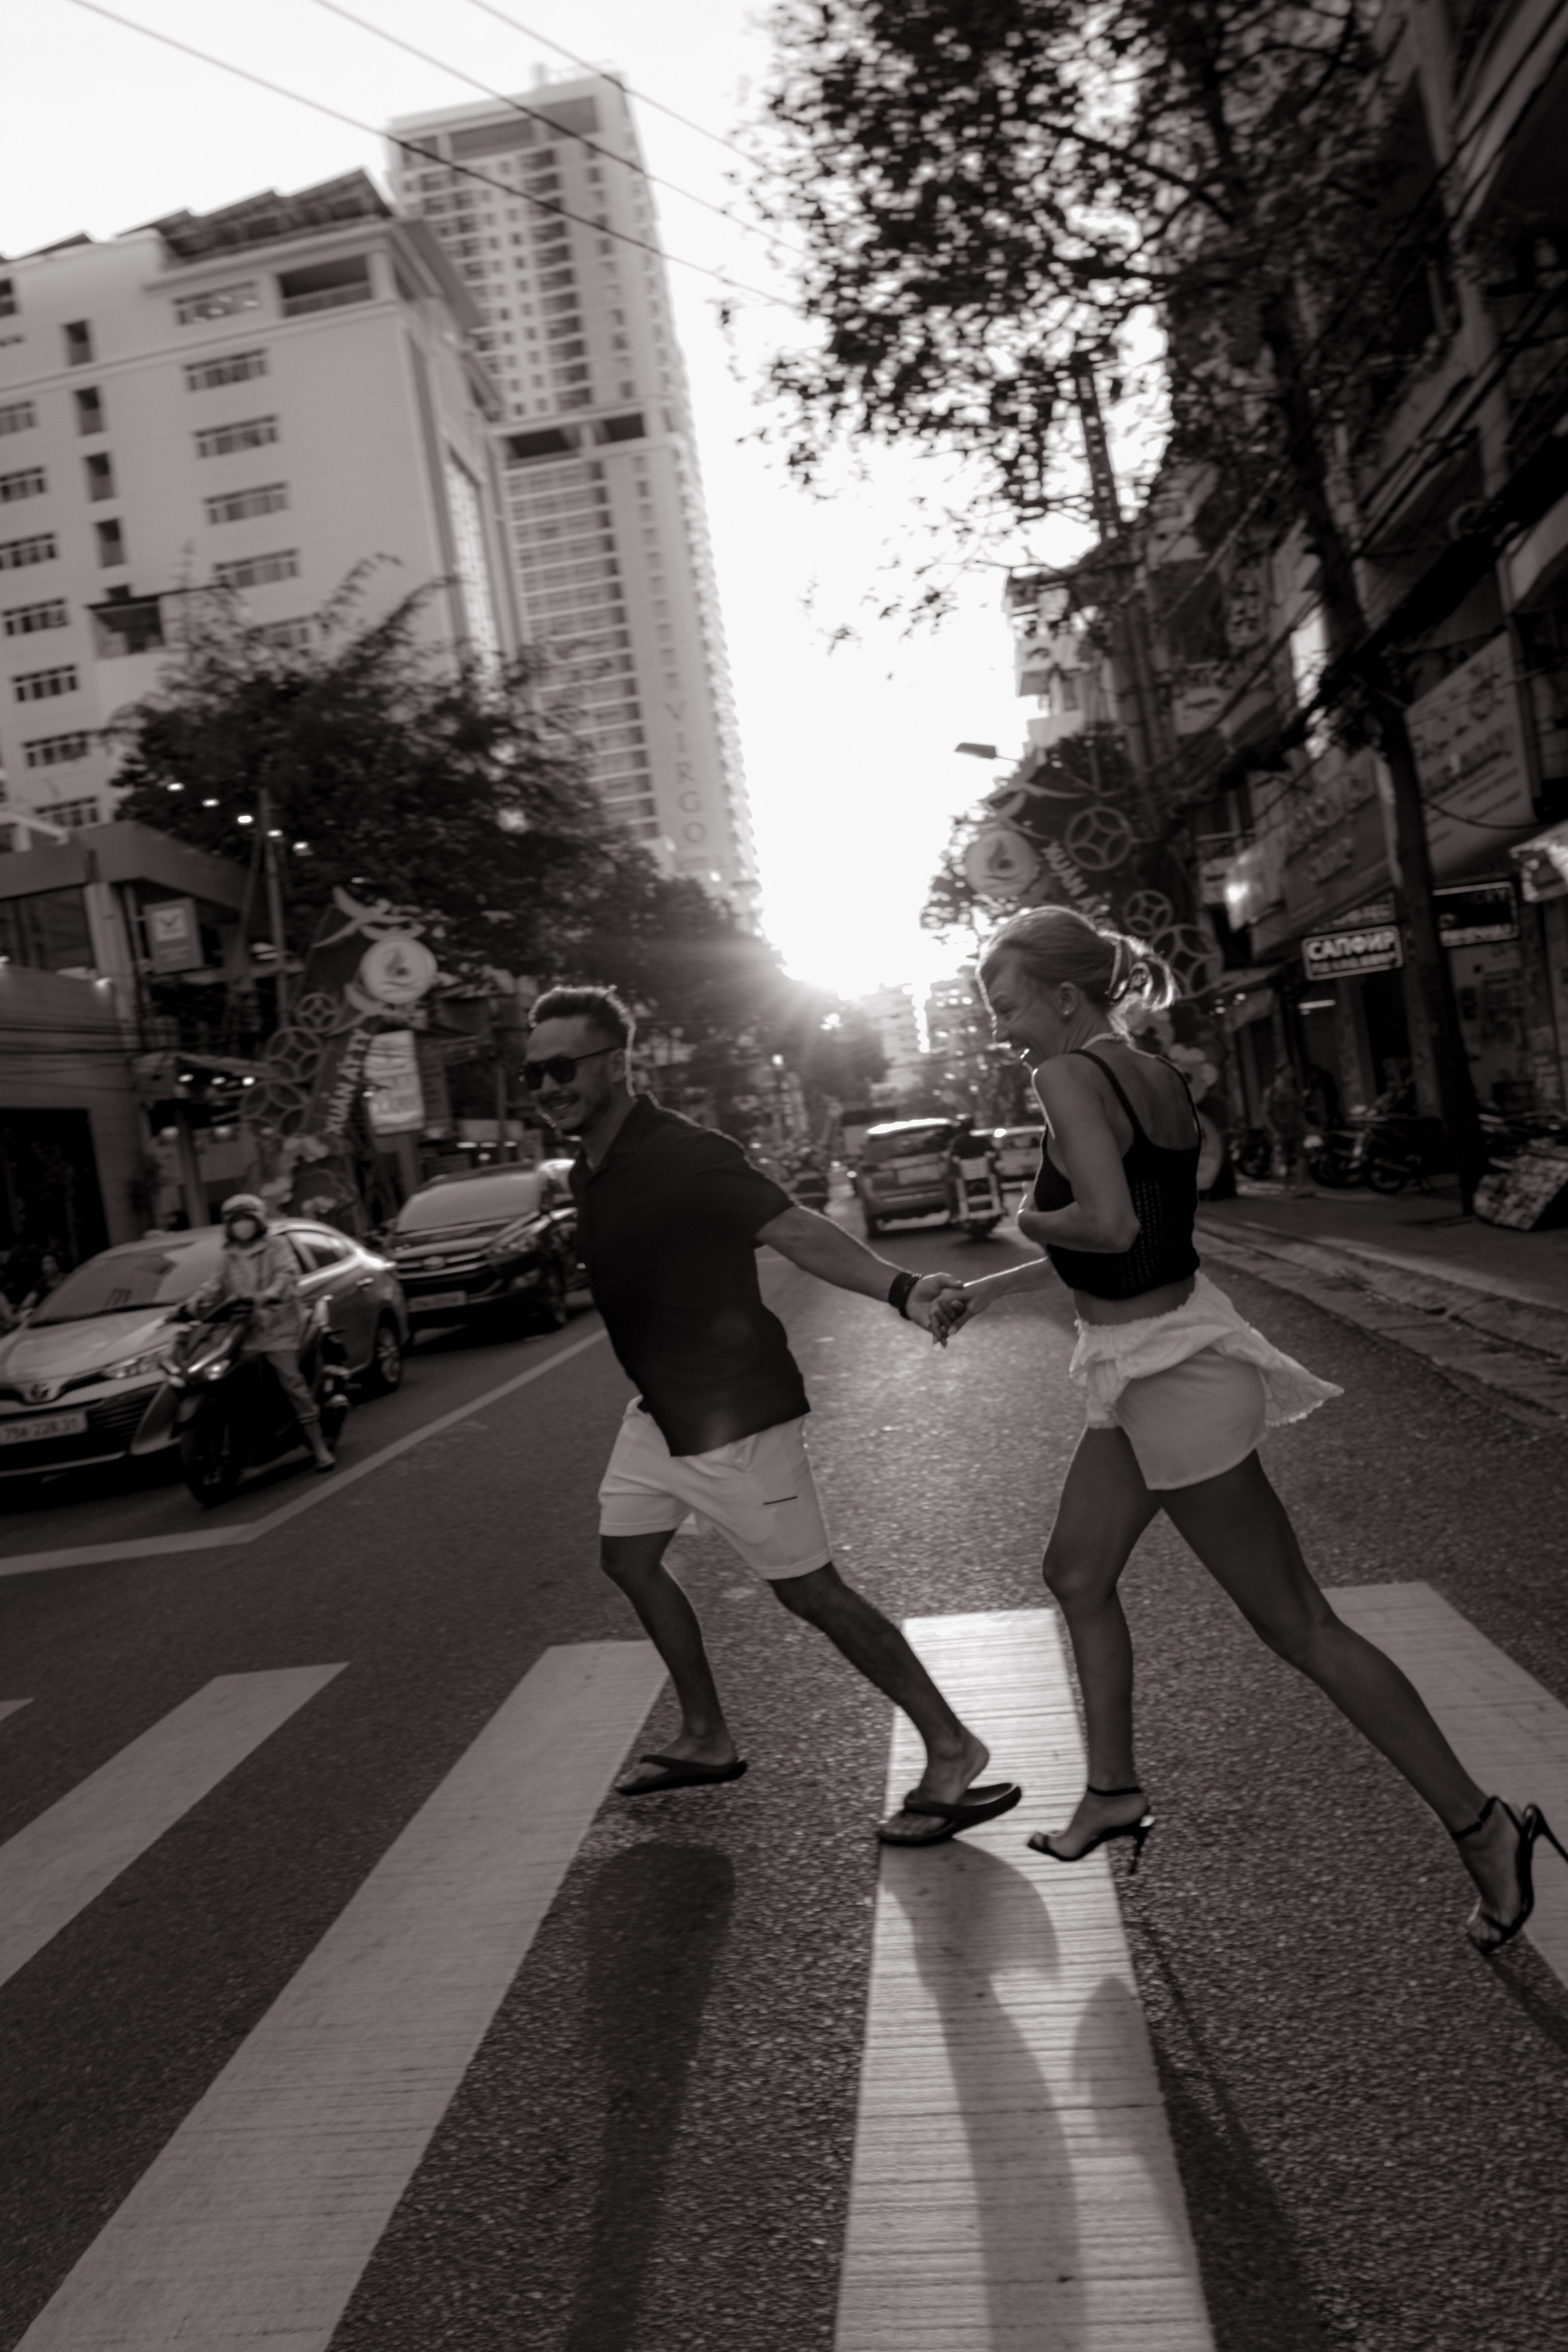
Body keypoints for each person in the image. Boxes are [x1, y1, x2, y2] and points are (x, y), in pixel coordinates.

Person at [932, 905, 1562, 1954]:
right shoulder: (1152, 1076)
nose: (1003, 1031)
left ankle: (1483, 1824)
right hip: (1154, 1360)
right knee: (1077, 1575)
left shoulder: (1065, 1079)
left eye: (1006, 1008)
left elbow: (1106, 1228)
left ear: (1063, 995)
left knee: (1300, 1626)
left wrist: (1020, 1215)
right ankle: (1114, 1790)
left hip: (1170, 1377)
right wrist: (993, 1289)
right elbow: (1136, 1235)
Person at [524, 984, 1019, 1847]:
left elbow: (795, 1230)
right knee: (628, 1559)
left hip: (735, 1412)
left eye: (562, 1068)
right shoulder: (587, 1172)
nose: (547, 1087)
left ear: (614, 1063)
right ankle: (707, 1735)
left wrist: (904, 1291)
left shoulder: (687, 1153)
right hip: (661, 1415)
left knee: (811, 1593)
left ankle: (952, 1747)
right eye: (534, 1074)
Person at [191, 1194, 336, 1472]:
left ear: (258, 1221)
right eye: (235, 1221)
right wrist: (193, 1302)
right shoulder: (229, 1255)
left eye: (246, 1219)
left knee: (292, 1382)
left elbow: (286, 1275)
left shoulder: (276, 1246)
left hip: (279, 1325)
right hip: (245, 1331)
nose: (241, 1226)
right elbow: (213, 1285)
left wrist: (268, 1295)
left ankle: (319, 1447)